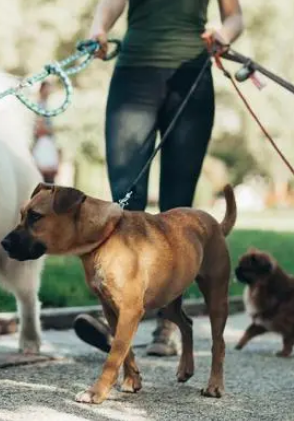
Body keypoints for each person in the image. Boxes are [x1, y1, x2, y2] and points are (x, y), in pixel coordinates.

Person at [73, 0, 244, 356]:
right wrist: (99, 30)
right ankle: (118, 315)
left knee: (176, 207)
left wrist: (223, 35)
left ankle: (168, 321)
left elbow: (234, 16)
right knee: (125, 198)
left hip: (191, 75)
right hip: (134, 74)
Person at [32, 81, 61, 184]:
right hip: (43, 141)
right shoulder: (39, 105)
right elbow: (40, 127)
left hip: (47, 141)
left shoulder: (45, 104)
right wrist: (53, 130)